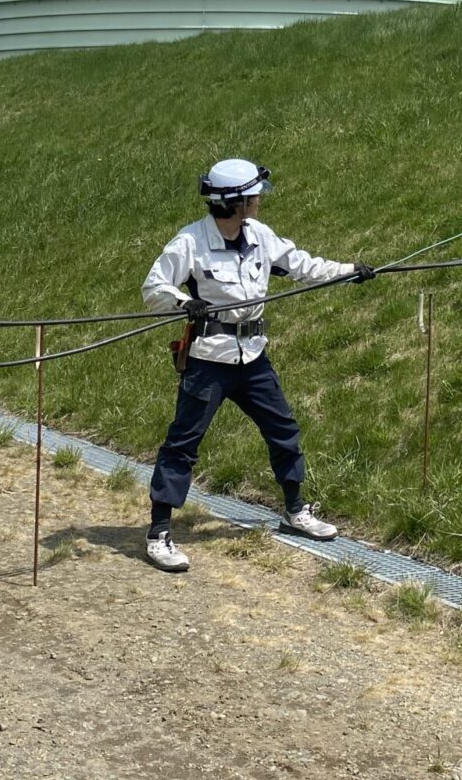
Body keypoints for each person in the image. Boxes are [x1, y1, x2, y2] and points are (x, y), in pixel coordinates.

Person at [139, 159, 371, 572]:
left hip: (253, 358)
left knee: (283, 429)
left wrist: (350, 272)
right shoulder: (189, 242)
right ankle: (158, 534)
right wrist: (184, 302)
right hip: (209, 361)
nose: (259, 201)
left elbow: (303, 266)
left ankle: (295, 510)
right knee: (183, 443)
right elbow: (153, 288)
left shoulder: (260, 236)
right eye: (253, 196)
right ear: (234, 202)